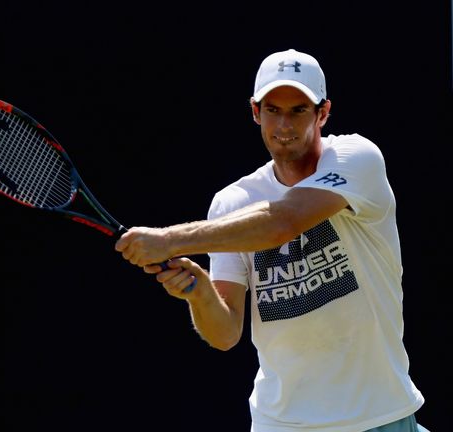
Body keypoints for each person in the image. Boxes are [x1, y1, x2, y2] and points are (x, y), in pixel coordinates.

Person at [114, 49, 427, 431]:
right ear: (255, 112)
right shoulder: (231, 203)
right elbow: (225, 334)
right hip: (280, 423)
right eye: (273, 109)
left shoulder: (358, 158)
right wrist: (200, 293)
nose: (284, 124)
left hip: (380, 416)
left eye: (298, 110)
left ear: (323, 113)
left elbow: (284, 220)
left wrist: (169, 240)